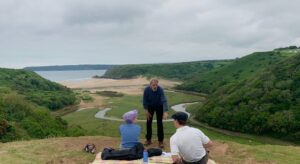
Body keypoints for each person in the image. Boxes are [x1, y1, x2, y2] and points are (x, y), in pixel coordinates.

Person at [143, 79, 168, 148]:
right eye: (153, 85)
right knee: (148, 122)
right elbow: (145, 100)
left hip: (159, 106)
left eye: (156, 85)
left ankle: (160, 141)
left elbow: (164, 100)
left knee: (159, 123)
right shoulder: (146, 90)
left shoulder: (160, 90)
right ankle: (148, 139)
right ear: (150, 85)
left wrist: (165, 111)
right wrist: (146, 110)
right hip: (150, 106)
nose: (155, 87)